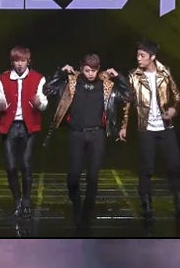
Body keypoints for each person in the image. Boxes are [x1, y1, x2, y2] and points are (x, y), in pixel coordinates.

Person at [44, 53, 130, 230]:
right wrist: (60, 73)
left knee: (93, 177)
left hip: (97, 135)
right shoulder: (71, 83)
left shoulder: (106, 85)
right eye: (87, 70)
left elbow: (128, 96)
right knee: (73, 176)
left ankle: (87, 213)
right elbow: (48, 90)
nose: (91, 74)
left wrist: (118, 77)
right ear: (81, 68)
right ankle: (76, 205)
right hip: (76, 134)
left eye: (94, 70)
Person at [119, 40, 180, 223]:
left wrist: (174, 109)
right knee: (146, 169)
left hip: (166, 127)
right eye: (137, 55)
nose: (138, 58)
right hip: (146, 129)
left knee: (174, 166)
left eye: (142, 55)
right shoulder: (134, 75)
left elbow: (177, 95)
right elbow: (128, 101)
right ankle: (147, 209)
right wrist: (124, 125)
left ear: (152, 57)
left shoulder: (165, 73)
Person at [0, 45, 47, 218]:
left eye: (23, 61)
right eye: (16, 61)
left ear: (28, 61)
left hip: (28, 127)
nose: (19, 64)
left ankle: (26, 202)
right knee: (11, 167)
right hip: (9, 127)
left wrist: (39, 103)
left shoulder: (38, 78)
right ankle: (17, 201)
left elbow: (44, 103)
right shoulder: (2, 79)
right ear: (12, 62)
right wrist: (0, 105)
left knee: (25, 164)